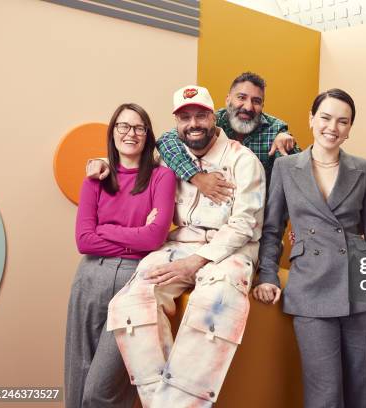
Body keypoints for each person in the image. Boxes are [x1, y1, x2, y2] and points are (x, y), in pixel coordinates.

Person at [105, 85, 266, 408]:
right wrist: (100, 163)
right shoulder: (169, 156)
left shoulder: (243, 160)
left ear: (213, 116)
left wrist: (197, 262)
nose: (194, 124)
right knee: (132, 298)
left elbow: (243, 225)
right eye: (185, 118)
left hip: (232, 250)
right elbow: (129, 162)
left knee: (214, 299)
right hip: (180, 243)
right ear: (176, 123)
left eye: (201, 116)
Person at [253, 88, 366, 408]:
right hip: (310, 288)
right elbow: (272, 229)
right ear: (311, 119)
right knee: (325, 393)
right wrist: (268, 277)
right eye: (326, 118)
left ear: (349, 128)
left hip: (360, 288)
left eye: (343, 121)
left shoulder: (363, 168)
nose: (333, 127)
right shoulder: (287, 167)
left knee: (362, 389)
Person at [65, 103, 176, 407]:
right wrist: (135, 235)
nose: (131, 133)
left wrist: (106, 229)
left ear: (148, 134)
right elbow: (84, 241)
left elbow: (154, 238)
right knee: (78, 379)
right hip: (89, 278)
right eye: (123, 126)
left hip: (134, 281)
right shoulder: (95, 179)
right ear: (113, 132)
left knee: (102, 391)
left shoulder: (161, 177)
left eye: (139, 127)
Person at [87, 72, 299, 203]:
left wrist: (283, 132)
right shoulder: (212, 120)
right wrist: (197, 178)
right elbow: (166, 141)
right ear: (227, 100)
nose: (248, 106)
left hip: (259, 222)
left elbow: (301, 177)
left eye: (256, 101)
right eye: (241, 97)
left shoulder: (274, 133)